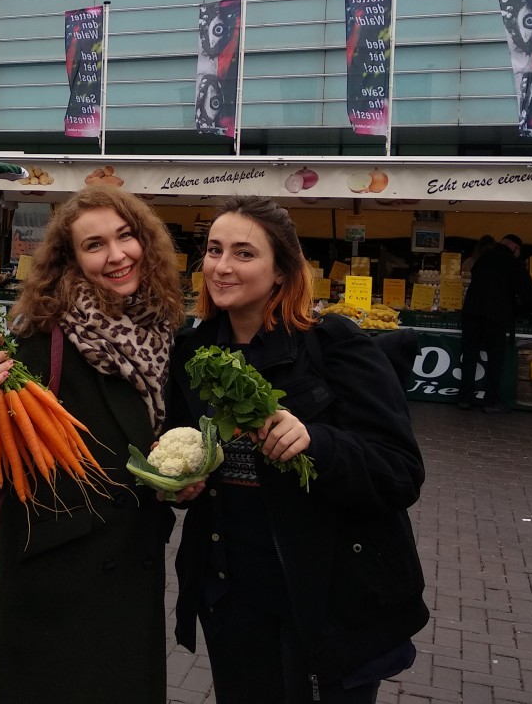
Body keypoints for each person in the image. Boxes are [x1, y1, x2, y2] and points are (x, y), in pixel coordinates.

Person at [164, 196, 427, 704]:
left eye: (244, 254)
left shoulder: (333, 345)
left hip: (325, 601)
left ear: (282, 270)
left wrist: (319, 442)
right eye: (214, 251)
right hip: (230, 597)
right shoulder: (191, 356)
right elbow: (190, 455)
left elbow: (401, 472)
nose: (221, 266)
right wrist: (180, 486)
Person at [0, 185, 186, 704]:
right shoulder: (44, 336)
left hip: (132, 564)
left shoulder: (161, 330)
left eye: (125, 236)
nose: (116, 255)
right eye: (95, 245)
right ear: (72, 258)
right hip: (57, 579)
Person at [458, 232, 532, 412]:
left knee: (469, 356)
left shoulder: (483, 258)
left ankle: (464, 398)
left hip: (472, 313)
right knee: (495, 359)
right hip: (496, 316)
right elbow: (528, 294)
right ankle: (490, 401)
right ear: (515, 248)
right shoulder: (513, 263)